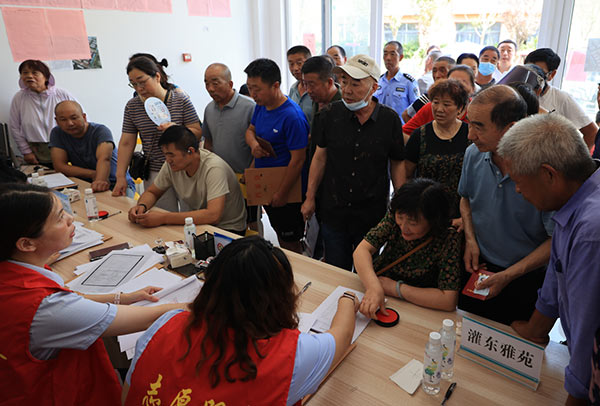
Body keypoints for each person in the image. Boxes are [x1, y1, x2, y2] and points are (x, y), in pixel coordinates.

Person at [0, 183, 184, 405]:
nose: (71, 219)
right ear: (27, 244)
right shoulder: (44, 306)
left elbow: (70, 298)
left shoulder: (13, 274)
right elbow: (145, 318)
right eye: (59, 218)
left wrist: (123, 297)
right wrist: (202, 304)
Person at [122, 235, 359, 405]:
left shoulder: (165, 324)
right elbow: (343, 334)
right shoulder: (290, 357)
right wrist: (348, 298)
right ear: (279, 299)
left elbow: (127, 394)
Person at [496, 113, 600, 406]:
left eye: (519, 181)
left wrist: (576, 395)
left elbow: (588, 333)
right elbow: (557, 273)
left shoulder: (592, 231)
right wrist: (535, 329)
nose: (517, 190)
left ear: (548, 175)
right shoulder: (575, 197)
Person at [458, 85, 553, 326]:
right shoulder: (473, 154)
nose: (470, 135)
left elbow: (556, 239)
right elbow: (465, 198)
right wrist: (470, 239)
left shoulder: (541, 171)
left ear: (511, 128)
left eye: (479, 127)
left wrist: (509, 275)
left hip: (524, 276)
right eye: (469, 124)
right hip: (478, 266)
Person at [300, 55, 404, 271]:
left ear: (374, 87)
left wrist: (401, 203)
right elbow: (319, 157)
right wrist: (310, 197)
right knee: (336, 269)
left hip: (372, 213)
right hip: (334, 211)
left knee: (367, 272)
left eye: (355, 84)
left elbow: (396, 163)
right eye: (344, 82)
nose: (347, 90)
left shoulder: (389, 120)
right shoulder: (328, 115)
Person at [354, 179, 461, 314]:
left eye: (413, 223)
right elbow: (362, 250)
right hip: (380, 288)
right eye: (400, 217)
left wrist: (396, 288)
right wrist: (373, 286)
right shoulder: (396, 216)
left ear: (433, 220)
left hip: (419, 305)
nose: (404, 228)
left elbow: (448, 300)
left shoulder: (448, 237)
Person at [113, 56, 202, 212]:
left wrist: (177, 130)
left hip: (185, 169)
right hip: (155, 171)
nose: (139, 88)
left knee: (191, 215)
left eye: (142, 82)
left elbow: (197, 132)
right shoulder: (132, 107)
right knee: (161, 215)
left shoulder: (180, 99)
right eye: (133, 84)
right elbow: (127, 142)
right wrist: (120, 176)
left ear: (157, 76)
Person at [128, 125, 246, 234]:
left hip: (227, 229)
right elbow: (153, 192)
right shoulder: (171, 165)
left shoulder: (214, 168)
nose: (168, 160)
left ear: (191, 151)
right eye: (165, 155)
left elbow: (213, 215)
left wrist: (163, 218)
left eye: (171, 155)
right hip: (202, 225)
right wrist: (142, 206)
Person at [244, 58, 309, 253]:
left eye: (257, 89)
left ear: (275, 85)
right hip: (266, 185)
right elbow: (250, 131)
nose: (253, 94)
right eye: (250, 88)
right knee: (280, 235)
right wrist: (254, 144)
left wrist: (282, 193)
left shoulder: (292, 116)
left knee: (291, 242)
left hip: (287, 191)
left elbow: (298, 161)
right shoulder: (261, 106)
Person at [401, 79, 470, 223]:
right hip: (425, 213)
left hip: (461, 216)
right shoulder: (420, 135)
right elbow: (406, 175)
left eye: (446, 104)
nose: (439, 109)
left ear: (460, 108)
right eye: (435, 102)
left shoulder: (469, 135)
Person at [202, 63, 258, 231]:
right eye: (206, 83)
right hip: (219, 178)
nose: (210, 89)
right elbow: (208, 142)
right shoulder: (209, 109)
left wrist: (252, 170)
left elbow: (260, 144)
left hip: (245, 177)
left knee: (251, 222)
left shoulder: (250, 107)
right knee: (225, 221)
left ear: (230, 83)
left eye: (215, 83)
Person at [49, 101, 134, 193]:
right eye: (63, 120)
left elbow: (104, 158)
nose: (70, 123)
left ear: (84, 117)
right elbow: (60, 166)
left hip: (117, 183)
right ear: (57, 121)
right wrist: (92, 174)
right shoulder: (57, 133)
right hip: (86, 183)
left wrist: (100, 180)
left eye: (74, 118)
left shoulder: (101, 131)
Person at [525, 47, 599, 149]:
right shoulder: (515, 92)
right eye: (528, 71)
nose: (532, 79)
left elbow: (592, 132)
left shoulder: (562, 98)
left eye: (539, 74)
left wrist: (575, 158)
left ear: (552, 74)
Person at [9, 60, 79, 165]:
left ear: (46, 77)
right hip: (36, 150)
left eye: (35, 73)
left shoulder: (61, 94)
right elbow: (15, 126)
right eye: (25, 73)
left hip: (64, 145)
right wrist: (26, 151)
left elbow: (80, 118)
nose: (29, 76)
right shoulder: (19, 98)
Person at [402, 65, 475, 142]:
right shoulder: (429, 107)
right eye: (452, 82)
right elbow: (405, 131)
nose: (440, 109)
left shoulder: (476, 112)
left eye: (462, 83)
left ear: (473, 88)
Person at [374, 41, 419, 124]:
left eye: (392, 54)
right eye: (385, 54)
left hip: (400, 128)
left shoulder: (408, 82)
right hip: (379, 127)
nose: (388, 58)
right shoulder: (378, 81)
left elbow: (416, 110)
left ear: (400, 57)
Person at [402, 56, 455, 124]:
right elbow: (406, 115)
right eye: (434, 71)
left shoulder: (459, 97)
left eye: (442, 71)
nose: (437, 75)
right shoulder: (428, 98)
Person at [287, 45, 314, 122]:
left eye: (299, 63)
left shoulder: (316, 89)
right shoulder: (293, 88)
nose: (295, 68)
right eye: (291, 64)